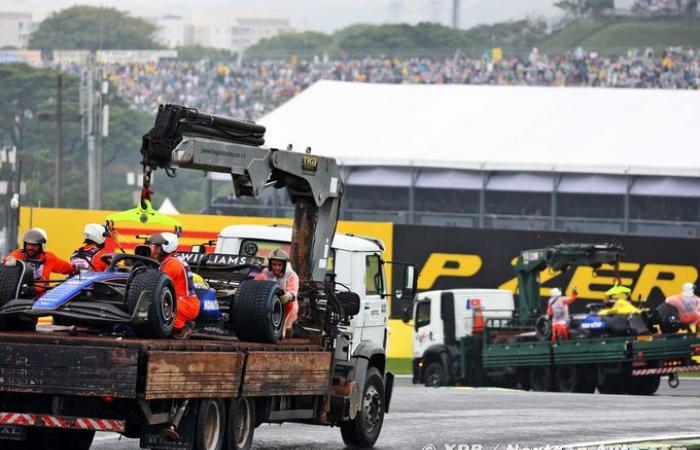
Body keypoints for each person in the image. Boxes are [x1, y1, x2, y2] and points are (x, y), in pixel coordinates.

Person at [149, 232, 200, 339]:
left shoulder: (172, 264)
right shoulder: (171, 260)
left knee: (156, 316)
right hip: (182, 302)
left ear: (166, 247)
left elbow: (158, 286)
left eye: (157, 247)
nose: (153, 250)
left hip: (184, 304)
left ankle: (182, 328)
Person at [3, 228, 75, 295]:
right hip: (20, 297)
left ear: (42, 246)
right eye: (28, 244)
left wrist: (80, 269)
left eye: (34, 245)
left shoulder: (49, 258)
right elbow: (8, 258)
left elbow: (69, 268)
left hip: (40, 300)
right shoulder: (19, 254)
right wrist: (9, 259)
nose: (30, 248)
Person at [255, 248, 299, 338]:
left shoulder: (291, 275)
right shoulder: (266, 273)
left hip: (285, 305)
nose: (277, 267)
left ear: (285, 265)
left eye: (280, 265)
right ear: (270, 264)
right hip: (267, 303)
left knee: (290, 304)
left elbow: (293, 292)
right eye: (274, 264)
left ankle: (281, 330)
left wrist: (288, 296)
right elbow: (255, 283)